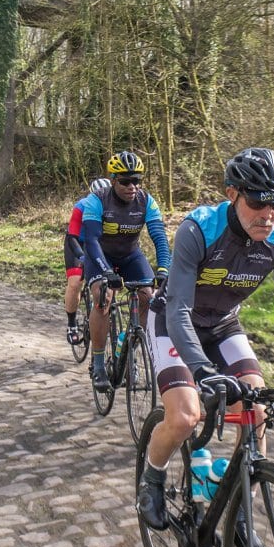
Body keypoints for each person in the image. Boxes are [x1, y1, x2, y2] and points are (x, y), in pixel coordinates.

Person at [136, 147, 274, 547]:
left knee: (257, 409)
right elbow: (180, 309)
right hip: (173, 321)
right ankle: (151, 479)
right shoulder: (198, 230)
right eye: (257, 201)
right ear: (232, 194)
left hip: (223, 324)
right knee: (186, 415)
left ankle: (241, 511)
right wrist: (203, 370)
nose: (268, 213)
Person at [82, 151, 171, 391]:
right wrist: (106, 272)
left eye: (137, 180)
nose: (132, 186)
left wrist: (163, 267)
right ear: (113, 180)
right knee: (103, 296)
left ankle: (125, 343)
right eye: (125, 181)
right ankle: (99, 364)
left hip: (131, 254)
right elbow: (90, 240)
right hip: (101, 255)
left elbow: (160, 238)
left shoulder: (146, 201)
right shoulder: (97, 200)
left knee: (149, 298)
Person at [64, 177, 112, 344]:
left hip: (100, 244)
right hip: (78, 242)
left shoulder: (117, 206)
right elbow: (72, 237)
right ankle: (71, 325)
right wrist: (82, 257)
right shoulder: (82, 206)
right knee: (76, 282)